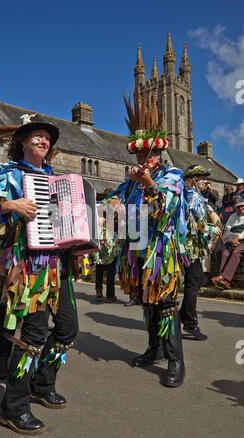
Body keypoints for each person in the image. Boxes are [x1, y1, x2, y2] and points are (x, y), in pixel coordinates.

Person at [0, 116, 80, 435]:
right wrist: (9, 206)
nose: (44, 141)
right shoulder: (11, 175)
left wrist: (82, 240)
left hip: (57, 266)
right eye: (37, 136)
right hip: (28, 268)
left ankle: (42, 384)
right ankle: (13, 407)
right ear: (21, 143)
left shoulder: (56, 180)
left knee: (68, 330)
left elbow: (68, 224)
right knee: (32, 337)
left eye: (47, 137)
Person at [102, 86, 189, 387]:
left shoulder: (172, 177)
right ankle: (154, 350)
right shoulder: (130, 182)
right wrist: (111, 203)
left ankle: (176, 360)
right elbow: (111, 202)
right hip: (137, 249)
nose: (142, 157)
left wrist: (151, 184)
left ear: (159, 152)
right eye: (139, 152)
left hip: (161, 252)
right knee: (147, 302)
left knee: (165, 303)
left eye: (147, 152)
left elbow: (168, 207)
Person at [179, 165, 222, 341]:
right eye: (202, 178)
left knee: (194, 281)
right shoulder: (192, 197)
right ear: (194, 179)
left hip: (191, 247)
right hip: (189, 248)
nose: (205, 181)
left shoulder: (194, 196)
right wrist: (211, 231)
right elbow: (192, 226)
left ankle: (183, 315)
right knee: (194, 281)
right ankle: (189, 321)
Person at [211, 195, 244, 289]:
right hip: (232, 239)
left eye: (243, 206)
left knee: (236, 252)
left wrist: (238, 237)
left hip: (241, 239)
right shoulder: (232, 216)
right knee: (225, 252)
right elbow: (227, 230)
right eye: (238, 206)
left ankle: (225, 278)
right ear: (235, 208)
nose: (241, 208)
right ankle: (223, 281)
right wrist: (231, 240)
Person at [94, 188, 119, 303]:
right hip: (110, 240)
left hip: (100, 239)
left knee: (99, 266)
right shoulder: (115, 206)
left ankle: (98, 290)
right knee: (111, 269)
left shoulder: (98, 206)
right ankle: (110, 296)